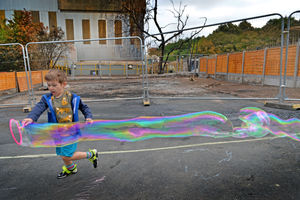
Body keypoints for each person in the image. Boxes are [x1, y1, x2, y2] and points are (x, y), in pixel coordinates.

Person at [22, 69, 98, 179]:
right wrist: (31, 118)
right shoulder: (47, 99)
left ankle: (91, 154)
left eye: (54, 85)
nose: (51, 88)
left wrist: (89, 117)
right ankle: (71, 169)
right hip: (57, 133)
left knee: (67, 155)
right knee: (62, 155)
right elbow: (38, 108)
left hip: (71, 132)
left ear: (63, 84)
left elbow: (84, 107)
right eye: (49, 85)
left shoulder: (72, 97)